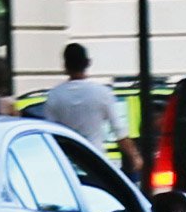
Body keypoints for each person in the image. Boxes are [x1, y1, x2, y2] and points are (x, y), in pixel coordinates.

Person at [45, 43, 143, 174]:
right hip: (96, 164)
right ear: (88, 63)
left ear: (65, 66)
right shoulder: (102, 93)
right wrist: (135, 157)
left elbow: (50, 132)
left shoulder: (54, 95)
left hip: (67, 167)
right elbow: (119, 131)